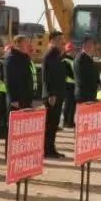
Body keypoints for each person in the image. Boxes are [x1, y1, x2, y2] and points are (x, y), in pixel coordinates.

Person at [41, 31, 67, 159]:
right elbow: (46, 77)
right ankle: (47, 149)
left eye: (62, 39)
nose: (61, 42)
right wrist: (50, 94)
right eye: (58, 39)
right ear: (51, 41)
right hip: (52, 96)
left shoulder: (57, 55)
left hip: (58, 93)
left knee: (54, 123)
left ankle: (51, 148)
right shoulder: (50, 55)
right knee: (50, 124)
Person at [4, 35, 35, 117]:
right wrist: (13, 99)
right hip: (17, 100)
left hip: (25, 98)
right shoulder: (12, 58)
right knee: (15, 122)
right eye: (25, 42)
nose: (28, 44)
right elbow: (9, 80)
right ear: (17, 44)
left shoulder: (24, 58)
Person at [0, 44, 11, 139]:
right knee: (0, 111)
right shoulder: (0, 61)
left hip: (6, 90)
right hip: (0, 90)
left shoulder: (8, 61)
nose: (9, 52)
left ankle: (3, 130)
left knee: (4, 111)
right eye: (8, 50)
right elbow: (1, 76)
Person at [61, 42, 77, 128]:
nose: (74, 52)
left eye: (74, 50)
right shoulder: (65, 60)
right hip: (68, 85)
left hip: (73, 85)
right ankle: (66, 122)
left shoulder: (72, 60)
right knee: (68, 104)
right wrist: (77, 78)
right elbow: (68, 73)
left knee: (73, 104)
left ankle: (70, 121)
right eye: (72, 50)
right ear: (68, 51)